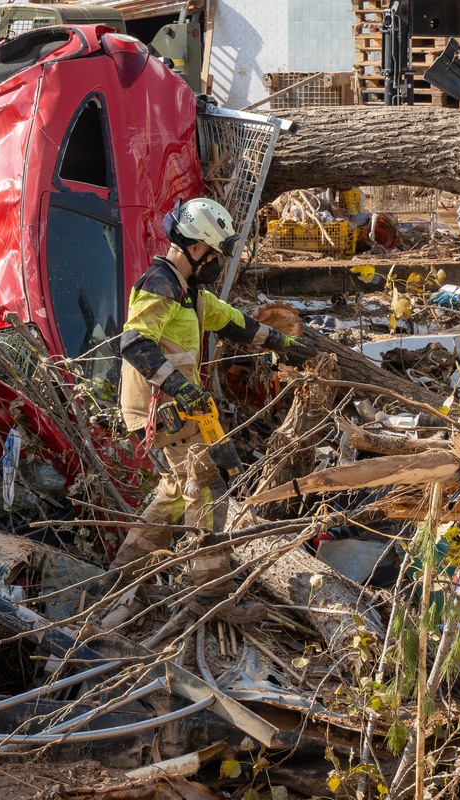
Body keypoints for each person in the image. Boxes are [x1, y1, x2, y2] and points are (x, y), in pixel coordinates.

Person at [110, 197, 309, 619]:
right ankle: (208, 594)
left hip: (174, 407)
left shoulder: (189, 292)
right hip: (163, 408)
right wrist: (182, 389)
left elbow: (234, 321)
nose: (219, 261)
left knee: (174, 491)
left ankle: (124, 574)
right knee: (207, 486)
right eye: (216, 253)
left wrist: (284, 345)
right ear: (197, 248)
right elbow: (133, 342)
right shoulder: (159, 284)